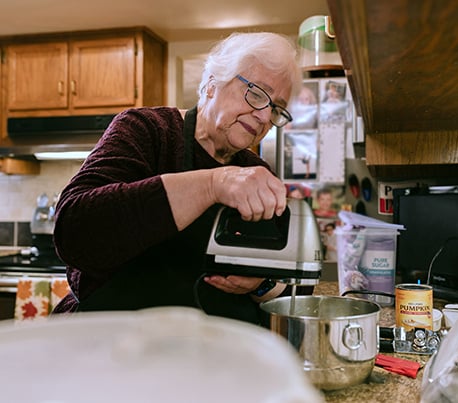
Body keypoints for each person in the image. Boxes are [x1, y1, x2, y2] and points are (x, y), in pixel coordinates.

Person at [51, 32, 313, 325]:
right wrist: (213, 185)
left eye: (276, 108)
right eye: (256, 94)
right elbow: (75, 232)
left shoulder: (258, 173)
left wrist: (260, 284)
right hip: (115, 343)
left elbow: (299, 283)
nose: (265, 117)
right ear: (212, 85)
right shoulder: (147, 131)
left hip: (212, 353)